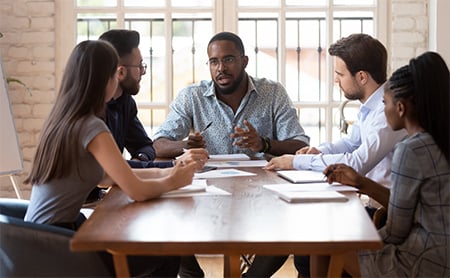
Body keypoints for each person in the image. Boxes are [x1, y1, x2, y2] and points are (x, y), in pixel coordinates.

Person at [24, 40, 197, 277]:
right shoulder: (92, 127)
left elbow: (108, 177)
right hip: (57, 246)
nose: (117, 81)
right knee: (166, 253)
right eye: (114, 75)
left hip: (38, 238)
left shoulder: (62, 119)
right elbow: (136, 191)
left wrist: (169, 171)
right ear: (103, 80)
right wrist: (175, 181)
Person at [244, 33, 408, 278]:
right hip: (370, 205)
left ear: (361, 77)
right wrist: (319, 151)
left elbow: (357, 162)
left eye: (340, 74)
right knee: (299, 227)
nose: (335, 81)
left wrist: (296, 161)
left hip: (382, 214)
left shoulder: (386, 111)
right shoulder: (372, 107)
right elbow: (352, 142)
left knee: (303, 227)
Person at [314, 51, 450, 277]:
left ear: (401, 108)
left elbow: (396, 231)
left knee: (323, 241)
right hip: (443, 255)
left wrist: (364, 237)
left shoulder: (411, 149)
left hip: (422, 262)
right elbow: (413, 208)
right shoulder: (440, 140)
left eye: (385, 103)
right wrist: (361, 183)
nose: (382, 110)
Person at [84, 29, 208, 203]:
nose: (143, 72)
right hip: (79, 213)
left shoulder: (124, 103)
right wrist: (173, 169)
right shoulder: (90, 121)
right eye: (140, 66)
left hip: (90, 206)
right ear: (120, 72)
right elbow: (115, 175)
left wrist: (146, 163)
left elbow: (143, 149)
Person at [153, 31, 310, 159]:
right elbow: (157, 145)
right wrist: (187, 145)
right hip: (209, 182)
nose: (221, 68)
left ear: (244, 61)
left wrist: (263, 144)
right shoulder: (192, 96)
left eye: (228, 59)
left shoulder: (273, 92)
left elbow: (300, 145)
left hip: (261, 181)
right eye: (214, 62)